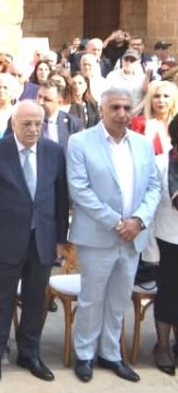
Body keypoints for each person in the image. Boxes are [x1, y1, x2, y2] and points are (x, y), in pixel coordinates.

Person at [67, 87, 161, 383]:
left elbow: (154, 187)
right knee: (92, 298)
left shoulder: (142, 144)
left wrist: (139, 221)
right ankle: (84, 354)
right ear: (102, 110)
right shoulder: (80, 142)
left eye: (126, 108)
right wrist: (117, 222)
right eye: (115, 108)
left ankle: (110, 353)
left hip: (133, 237)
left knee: (119, 299)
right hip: (98, 236)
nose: (122, 114)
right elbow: (79, 189)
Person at [0, 100, 69, 383]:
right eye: (27, 123)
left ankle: (29, 353)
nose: (33, 129)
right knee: (0, 299)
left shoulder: (53, 151)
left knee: (36, 299)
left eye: (38, 123)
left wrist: (60, 238)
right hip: (5, 240)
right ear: (13, 123)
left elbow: (61, 198)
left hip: (43, 239)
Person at [151, 117, 178, 374]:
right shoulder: (160, 163)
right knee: (168, 295)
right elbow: (150, 208)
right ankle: (162, 346)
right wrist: (151, 250)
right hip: (166, 240)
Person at [130, 80, 177, 155]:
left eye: (166, 96)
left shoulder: (176, 124)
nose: (161, 100)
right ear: (150, 100)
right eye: (156, 96)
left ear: (173, 100)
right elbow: (135, 152)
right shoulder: (139, 123)